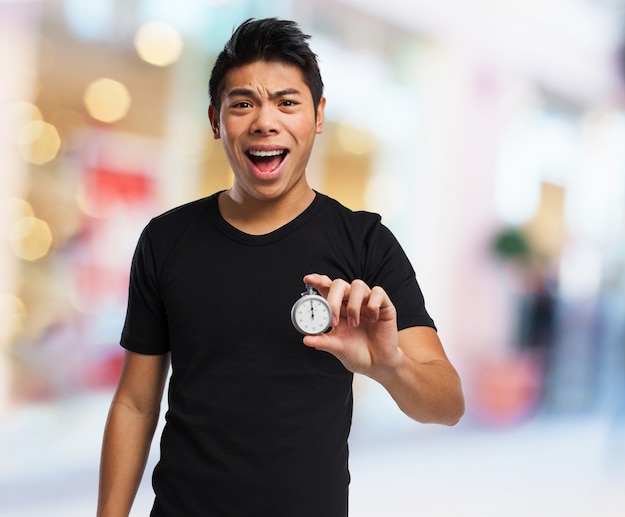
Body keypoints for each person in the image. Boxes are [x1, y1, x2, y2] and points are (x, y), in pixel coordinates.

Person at [97, 17, 464, 517]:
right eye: (243, 103)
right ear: (215, 119)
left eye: (287, 102)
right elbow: (135, 403)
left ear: (317, 116)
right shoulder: (166, 240)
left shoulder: (365, 244)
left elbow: (448, 404)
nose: (264, 121)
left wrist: (389, 366)